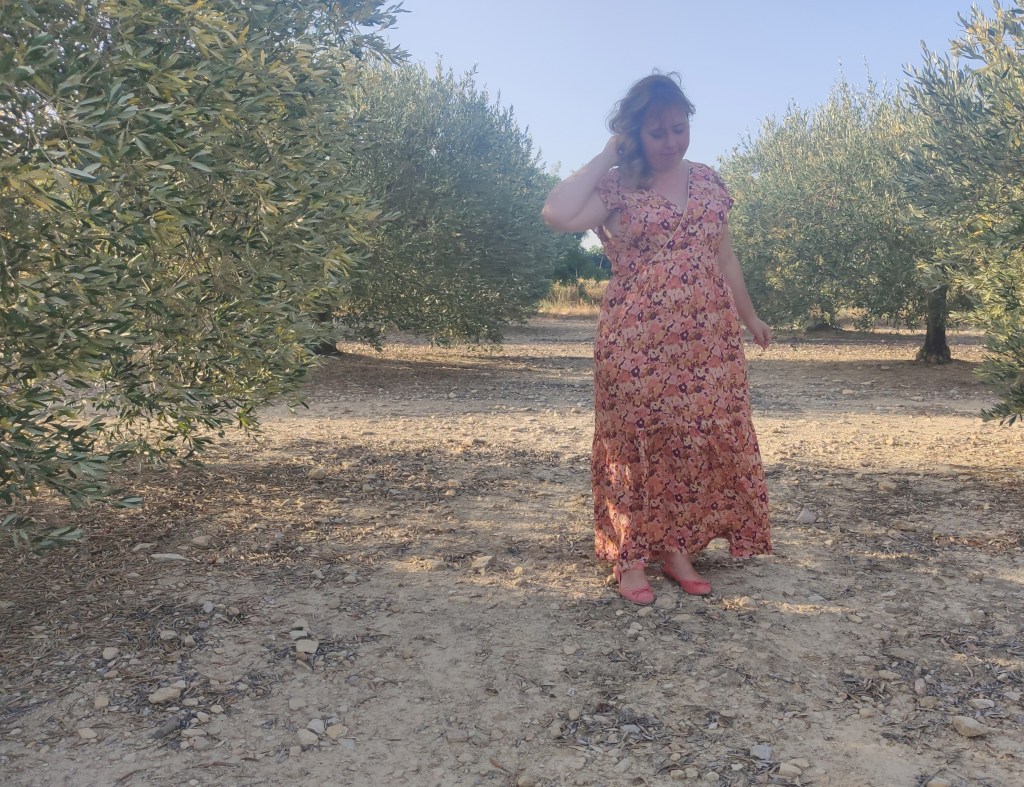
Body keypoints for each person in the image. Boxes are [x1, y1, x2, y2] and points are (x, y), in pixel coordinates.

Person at [542, 73, 772, 605]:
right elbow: (556, 213)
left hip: (708, 341)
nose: (671, 141)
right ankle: (628, 556)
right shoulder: (617, 186)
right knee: (632, 441)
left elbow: (724, 256)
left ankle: (675, 549)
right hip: (635, 342)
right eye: (657, 131)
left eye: (679, 128)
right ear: (634, 133)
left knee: (688, 442)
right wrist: (609, 154)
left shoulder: (709, 181)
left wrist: (750, 316)